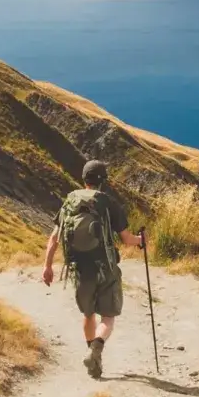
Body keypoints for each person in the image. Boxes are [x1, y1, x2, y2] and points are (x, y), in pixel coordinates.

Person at [42, 159, 142, 379]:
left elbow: (54, 238)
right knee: (108, 316)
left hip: (79, 268)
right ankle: (95, 349)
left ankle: (93, 360)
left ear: (84, 179)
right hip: (105, 267)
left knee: (88, 314)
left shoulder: (70, 201)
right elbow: (127, 239)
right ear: (103, 181)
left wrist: (47, 266)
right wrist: (141, 239)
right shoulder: (107, 202)